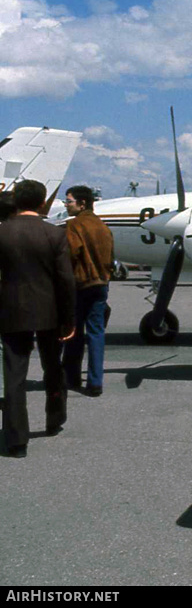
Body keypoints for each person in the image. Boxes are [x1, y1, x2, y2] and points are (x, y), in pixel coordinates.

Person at [0, 180, 76, 458]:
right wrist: (69, 318)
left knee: (14, 374)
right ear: (43, 202)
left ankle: (16, 439)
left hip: (10, 311)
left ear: (17, 201)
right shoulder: (54, 234)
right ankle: (54, 419)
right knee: (52, 367)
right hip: (49, 311)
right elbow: (66, 280)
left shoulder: (2, 232)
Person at [61, 185, 114, 397]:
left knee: (74, 333)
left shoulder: (74, 226)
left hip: (80, 285)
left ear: (82, 203)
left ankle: (71, 376)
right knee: (96, 333)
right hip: (101, 284)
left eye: (69, 201)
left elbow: (71, 255)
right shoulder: (103, 226)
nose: (66, 205)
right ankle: (95, 382)